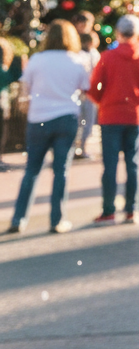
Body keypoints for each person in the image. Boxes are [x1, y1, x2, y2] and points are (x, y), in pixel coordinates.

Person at [5, 20, 91, 234]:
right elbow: (86, 89)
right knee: (61, 171)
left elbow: (25, 90)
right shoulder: (77, 60)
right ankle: (57, 219)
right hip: (66, 117)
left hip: (39, 118)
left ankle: (19, 218)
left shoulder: (37, 59)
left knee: (32, 170)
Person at [88, 14, 139, 225]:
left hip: (111, 115)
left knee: (110, 165)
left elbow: (94, 87)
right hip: (135, 115)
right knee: (133, 164)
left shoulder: (107, 57)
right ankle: (132, 210)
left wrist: (102, 101)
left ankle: (109, 209)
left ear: (118, 33)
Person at [72, 11, 101, 159]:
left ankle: (82, 146)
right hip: (75, 89)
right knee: (76, 120)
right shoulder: (71, 43)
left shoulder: (93, 48)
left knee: (88, 120)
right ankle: (73, 148)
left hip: (90, 90)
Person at [0, 37, 24, 173]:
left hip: (2, 102)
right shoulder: (3, 69)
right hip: (1, 103)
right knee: (2, 132)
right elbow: (8, 79)